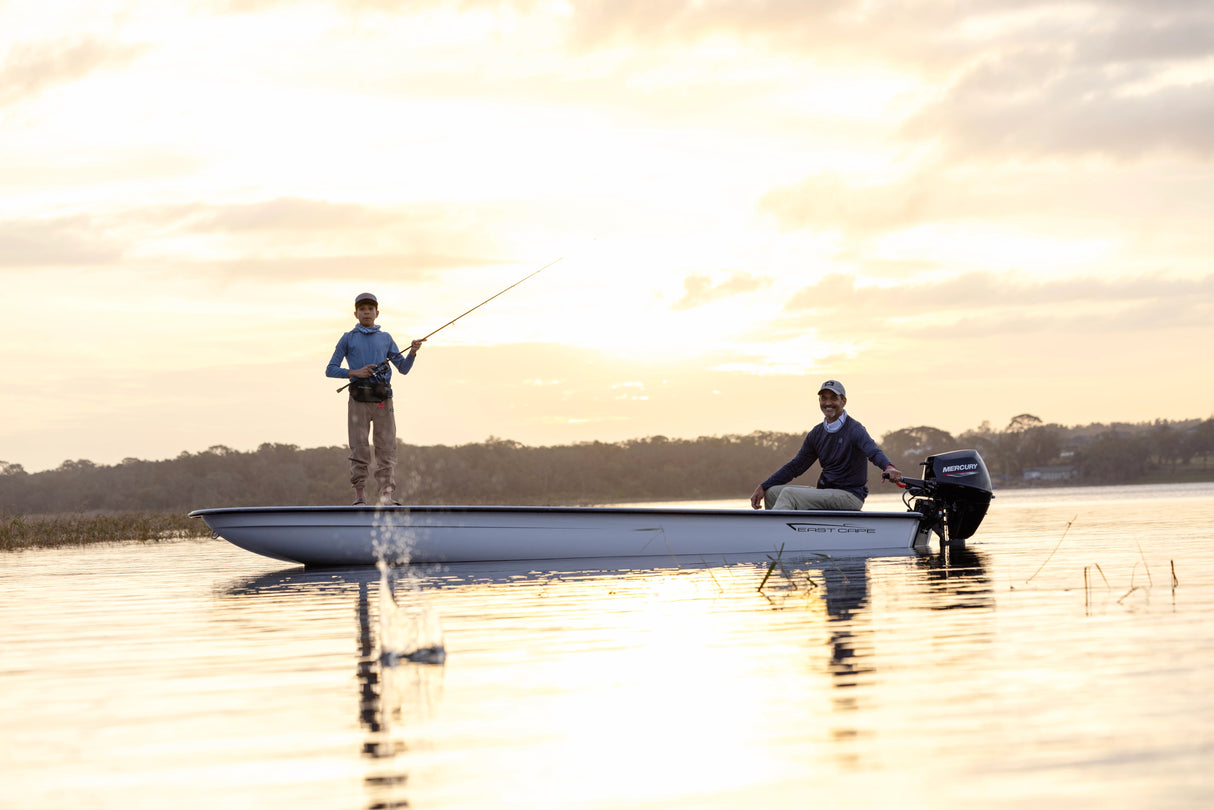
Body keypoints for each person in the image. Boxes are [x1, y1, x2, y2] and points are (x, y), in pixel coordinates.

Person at [326, 292, 424, 505]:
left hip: (383, 400)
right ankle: (359, 497)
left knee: (386, 448)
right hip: (358, 400)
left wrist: (413, 352)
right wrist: (356, 372)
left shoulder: (386, 338)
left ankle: (386, 496)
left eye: (370, 309)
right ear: (356, 313)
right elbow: (330, 369)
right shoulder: (348, 338)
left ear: (377, 313)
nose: (367, 312)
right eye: (362, 309)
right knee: (359, 448)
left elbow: (404, 369)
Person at [750, 379, 902, 511]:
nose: (828, 403)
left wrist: (889, 467)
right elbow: (795, 466)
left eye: (834, 398)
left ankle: (773, 536)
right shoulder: (816, 433)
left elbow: (873, 451)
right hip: (826, 493)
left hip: (850, 496)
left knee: (789, 494)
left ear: (843, 401)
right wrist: (763, 486)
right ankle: (783, 538)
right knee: (772, 492)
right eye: (824, 398)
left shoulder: (855, 429)